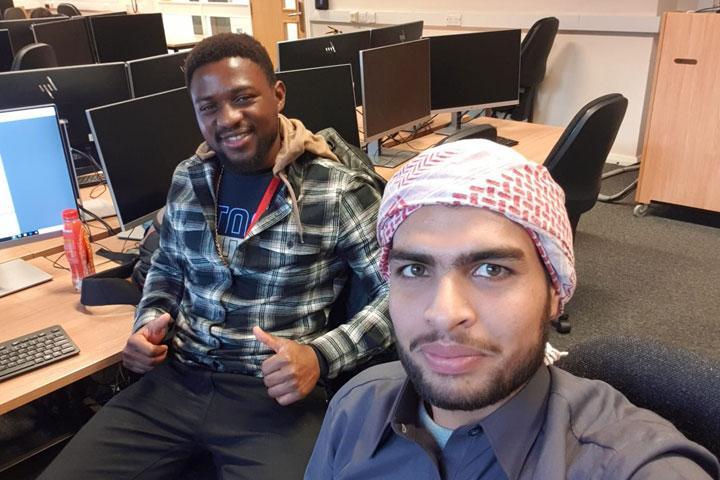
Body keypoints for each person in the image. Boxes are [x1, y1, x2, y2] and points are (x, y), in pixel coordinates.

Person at [39, 33, 392, 479]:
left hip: (270, 396)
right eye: (208, 107)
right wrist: (147, 323)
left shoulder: (336, 189)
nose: (228, 118)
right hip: (174, 383)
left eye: (243, 98)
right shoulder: (190, 177)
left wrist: (321, 357)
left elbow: (400, 294)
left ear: (277, 95)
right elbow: (166, 267)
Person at [305, 140, 720, 479]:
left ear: (556, 291)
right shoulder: (356, 406)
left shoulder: (630, 467)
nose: (444, 313)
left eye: (491, 269)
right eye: (415, 269)